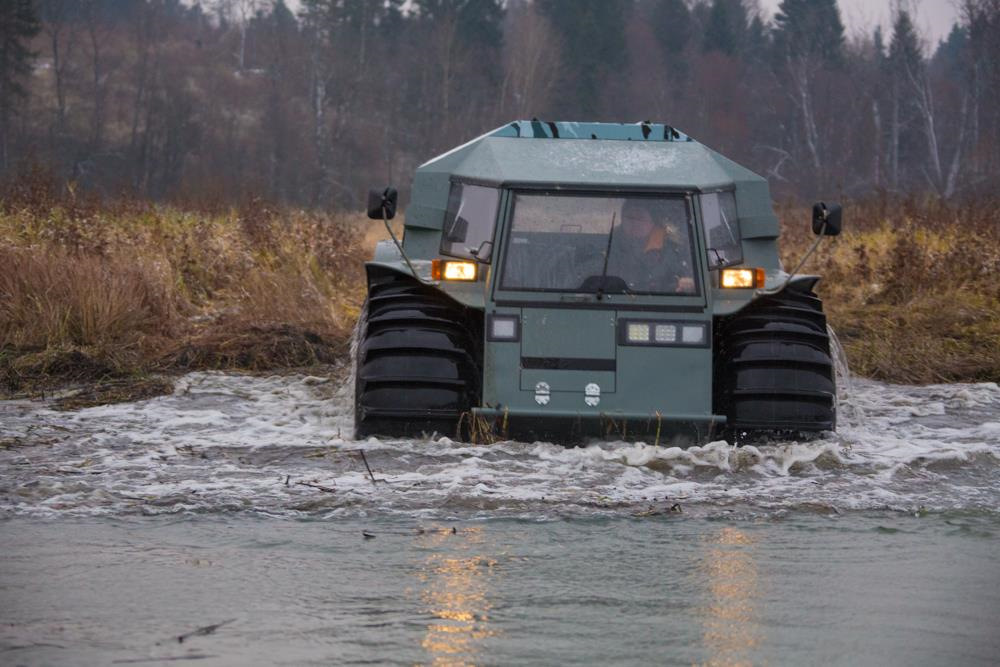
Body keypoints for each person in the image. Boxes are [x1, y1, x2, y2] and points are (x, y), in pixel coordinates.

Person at [610, 199, 696, 293]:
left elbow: (689, 276)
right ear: (622, 220)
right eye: (630, 217)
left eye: (640, 218)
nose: (635, 223)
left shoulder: (673, 248)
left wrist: (687, 283)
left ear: (653, 222)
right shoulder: (610, 244)